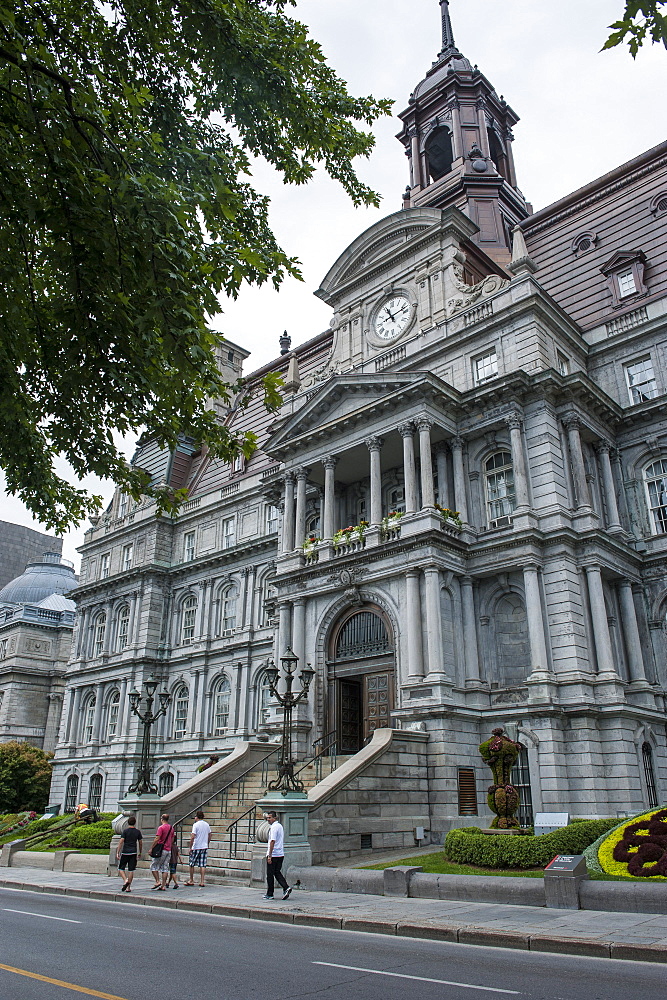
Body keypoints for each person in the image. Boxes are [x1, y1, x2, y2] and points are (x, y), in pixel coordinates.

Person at [263, 810, 292, 901]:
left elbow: (272, 841)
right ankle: (286, 887)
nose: (268, 820)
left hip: (274, 854)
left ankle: (270, 893)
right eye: (267, 818)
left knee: (270, 875)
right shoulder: (280, 826)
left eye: (270, 818)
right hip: (280, 854)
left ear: (275, 818)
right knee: (277, 872)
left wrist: (270, 855)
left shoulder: (274, 827)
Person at [185, 809, 211, 887]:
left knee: (192, 863)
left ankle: (191, 879)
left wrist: (190, 847)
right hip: (204, 846)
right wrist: (207, 842)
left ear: (197, 817)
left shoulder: (195, 825)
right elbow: (210, 834)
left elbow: (193, 836)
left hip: (196, 846)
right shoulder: (206, 824)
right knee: (202, 864)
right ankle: (202, 881)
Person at [116, 816, 142, 893]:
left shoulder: (125, 831)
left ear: (128, 822)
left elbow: (121, 841)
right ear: (135, 823)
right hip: (133, 852)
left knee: (121, 868)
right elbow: (140, 842)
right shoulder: (137, 832)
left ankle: (125, 880)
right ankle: (128, 887)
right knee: (131, 869)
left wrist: (118, 852)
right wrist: (140, 852)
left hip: (125, 852)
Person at [149, 812, 175, 890]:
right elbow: (172, 838)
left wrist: (152, 848)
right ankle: (163, 885)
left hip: (161, 849)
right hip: (168, 849)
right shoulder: (171, 828)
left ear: (162, 819)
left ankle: (157, 881)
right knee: (165, 867)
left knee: (153, 866)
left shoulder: (161, 828)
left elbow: (157, 838)